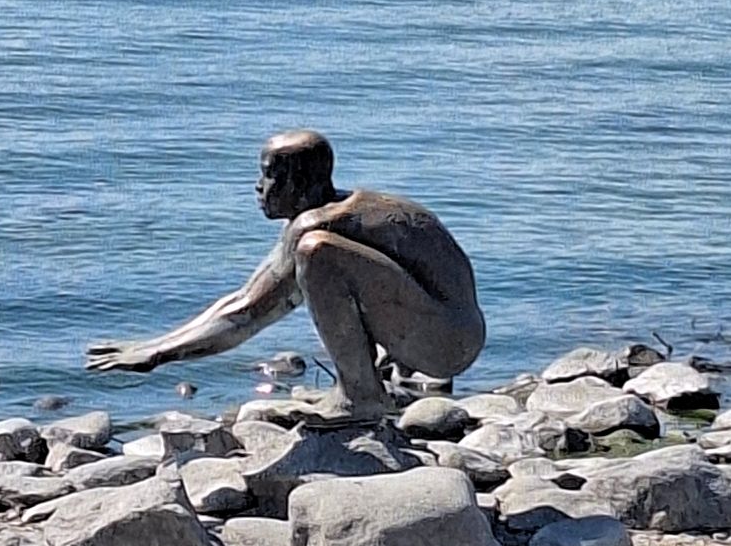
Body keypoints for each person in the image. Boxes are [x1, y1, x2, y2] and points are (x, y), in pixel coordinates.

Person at [85, 128, 485, 428]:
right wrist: (155, 345)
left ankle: (360, 398)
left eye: (270, 176)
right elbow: (242, 299)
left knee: (317, 253)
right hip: (450, 335)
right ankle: (374, 384)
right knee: (319, 251)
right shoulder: (346, 211)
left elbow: (248, 312)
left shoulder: (318, 228)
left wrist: (157, 355)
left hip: (445, 348)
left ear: (300, 183)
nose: (258, 187)